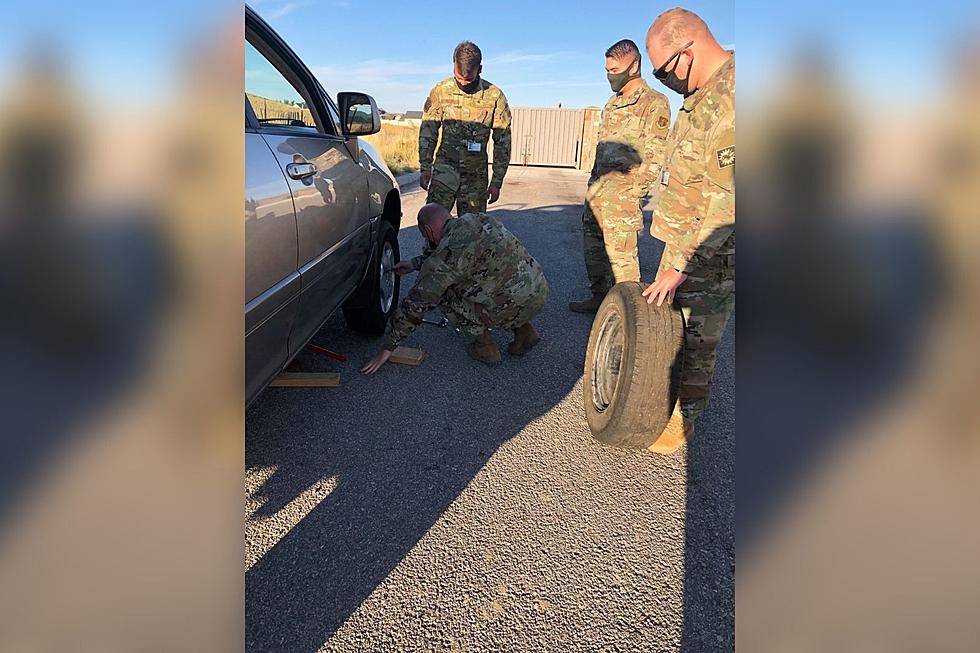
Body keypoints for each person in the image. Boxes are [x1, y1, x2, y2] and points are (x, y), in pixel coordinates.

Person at [643, 7, 735, 453]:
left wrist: (679, 262)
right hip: (688, 243)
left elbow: (728, 199)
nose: (663, 80)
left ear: (688, 49)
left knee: (700, 335)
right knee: (676, 327)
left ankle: (686, 418)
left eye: (663, 71)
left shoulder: (732, 99)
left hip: (713, 249)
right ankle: (669, 401)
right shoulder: (704, 97)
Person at [361, 204, 549, 374]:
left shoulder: (448, 251)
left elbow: (417, 302)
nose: (429, 241)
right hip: (538, 292)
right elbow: (455, 258)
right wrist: (414, 263)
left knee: (444, 293)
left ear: (427, 230)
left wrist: (388, 347)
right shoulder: (478, 219)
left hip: (510, 304)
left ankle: (485, 347)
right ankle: (525, 331)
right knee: (497, 285)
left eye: (425, 236)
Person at [569, 39, 670, 313]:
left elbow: (655, 155)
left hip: (623, 199)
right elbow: (601, 149)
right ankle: (599, 297)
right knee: (594, 252)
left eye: (614, 69)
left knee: (623, 261)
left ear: (634, 66)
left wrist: (634, 193)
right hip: (598, 192)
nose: (610, 75)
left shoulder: (655, 103)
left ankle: (630, 315)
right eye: (607, 69)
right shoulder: (612, 104)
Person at [418, 41, 512, 217]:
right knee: (434, 228)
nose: (462, 83)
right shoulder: (441, 91)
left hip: (475, 180)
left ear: (480, 69)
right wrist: (425, 165)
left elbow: (503, 142)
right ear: (453, 64)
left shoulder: (494, 96)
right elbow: (428, 130)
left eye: (468, 80)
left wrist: (497, 181)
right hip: (444, 174)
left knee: (473, 232)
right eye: (458, 78)